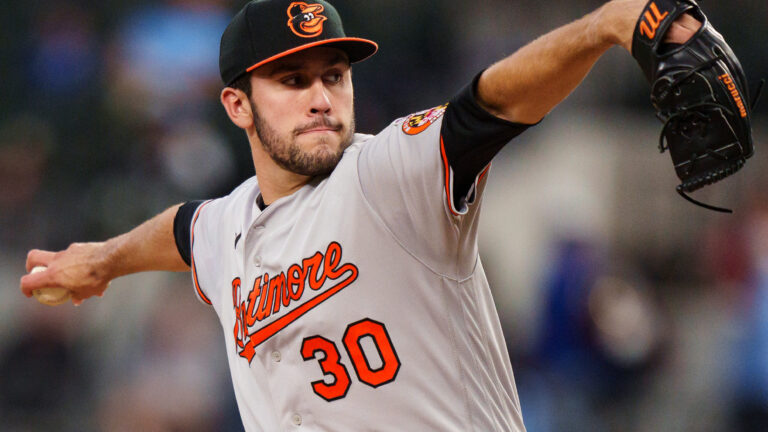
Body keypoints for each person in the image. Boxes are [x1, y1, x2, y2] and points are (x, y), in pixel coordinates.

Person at [20, 0, 701, 430]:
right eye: (293, 81)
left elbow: (493, 102)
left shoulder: (388, 172)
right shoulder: (226, 227)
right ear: (236, 106)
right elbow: (179, 232)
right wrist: (101, 260)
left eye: (333, 75)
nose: (321, 97)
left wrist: (608, 24)